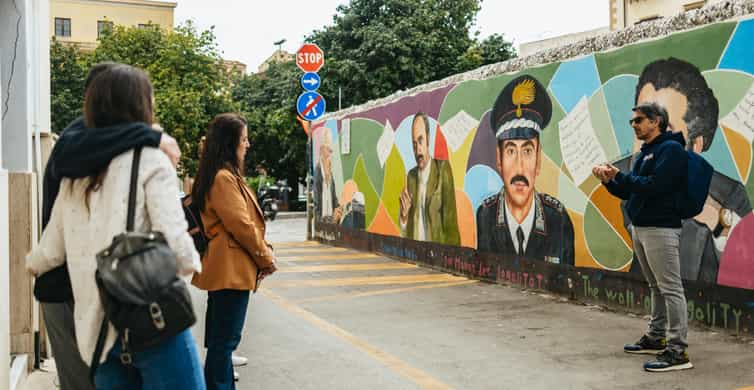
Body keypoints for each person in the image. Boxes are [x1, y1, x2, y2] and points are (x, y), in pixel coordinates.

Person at [26, 64, 205, 388]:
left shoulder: (75, 175)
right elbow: (178, 247)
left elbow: (49, 251)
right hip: (154, 320)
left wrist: (31, 265)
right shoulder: (152, 159)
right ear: (142, 105)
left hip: (98, 332)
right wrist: (191, 266)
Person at [615, 57, 751, 284]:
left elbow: (746, 263)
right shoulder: (619, 178)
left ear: (695, 146)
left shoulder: (727, 196)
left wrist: (714, 218)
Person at [594, 102, 693, 372]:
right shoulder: (646, 152)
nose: (634, 125)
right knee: (656, 286)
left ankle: (677, 351)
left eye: (639, 120)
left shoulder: (670, 150)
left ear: (656, 121)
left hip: (661, 228)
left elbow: (657, 187)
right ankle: (656, 336)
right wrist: (609, 182)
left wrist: (621, 176)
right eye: (633, 121)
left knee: (671, 288)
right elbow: (631, 192)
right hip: (641, 227)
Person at [191, 113, 277, 390]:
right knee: (224, 342)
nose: (248, 144)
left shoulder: (220, 175)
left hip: (226, 269)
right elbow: (241, 225)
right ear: (230, 143)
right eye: (243, 139)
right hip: (230, 269)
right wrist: (265, 257)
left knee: (221, 341)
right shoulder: (223, 179)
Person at [476, 75, 575, 266]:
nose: (520, 166)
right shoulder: (486, 215)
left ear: (538, 160)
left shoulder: (557, 218)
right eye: (511, 151)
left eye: (528, 151)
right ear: (499, 159)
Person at [399, 112, 460, 245]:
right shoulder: (411, 177)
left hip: (437, 257)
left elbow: (451, 227)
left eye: (420, 141)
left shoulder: (443, 170)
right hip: (416, 256)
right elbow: (406, 232)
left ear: (428, 139)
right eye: (414, 144)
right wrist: (404, 217)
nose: (418, 150)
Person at [314, 130, 342, 223]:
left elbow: (333, 195)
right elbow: (317, 197)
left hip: (330, 217)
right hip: (322, 216)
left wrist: (338, 207)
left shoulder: (330, 171)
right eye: (328, 149)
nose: (331, 152)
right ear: (322, 149)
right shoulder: (318, 170)